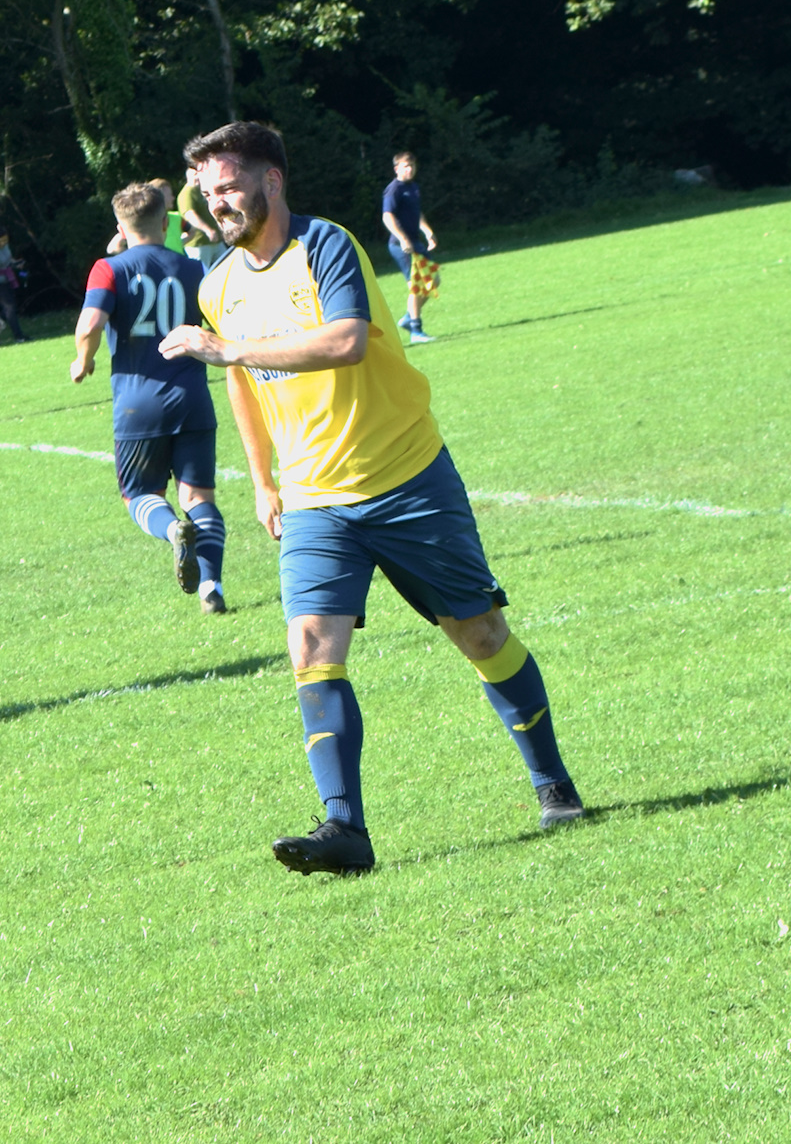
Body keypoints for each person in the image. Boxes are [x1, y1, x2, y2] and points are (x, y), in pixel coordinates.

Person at [160, 121, 584, 877]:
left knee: (480, 634)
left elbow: (345, 340)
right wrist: (262, 482)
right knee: (310, 650)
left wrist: (228, 348)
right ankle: (345, 832)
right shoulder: (217, 283)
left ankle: (553, 782)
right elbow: (242, 388)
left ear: (271, 182)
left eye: (230, 184)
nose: (219, 201)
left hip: (407, 477)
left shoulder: (325, 246)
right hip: (317, 500)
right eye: (209, 190)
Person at [70, 179, 228, 613]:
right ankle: (211, 587)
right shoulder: (195, 268)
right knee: (200, 499)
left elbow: (89, 325)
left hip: (138, 406)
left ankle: (172, 530)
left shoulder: (110, 268)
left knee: (139, 495)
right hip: (194, 399)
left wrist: (82, 361)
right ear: (165, 221)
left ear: (121, 228)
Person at [381, 152, 439, 344]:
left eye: (412, 166)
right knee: (416, 287)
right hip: (401, 246)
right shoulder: (394, 190)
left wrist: (428, 231)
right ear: (397, 168)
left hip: (415, 242)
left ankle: (408, 317)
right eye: (406, 166)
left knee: (434, 280)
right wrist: (402, 238)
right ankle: (416, 331)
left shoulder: (413, 187)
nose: (410, 169)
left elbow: (416, 212)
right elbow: (387, 217)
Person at [178, 166, 228, 268]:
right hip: (198, 244)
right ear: (188, 176)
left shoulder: (203, 190)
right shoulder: (186, 194)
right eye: (194, 174)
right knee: (201, 274)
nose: (197, 177)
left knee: (226, 267)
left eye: (199, 174)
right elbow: (190, 215)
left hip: (215, 241)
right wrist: (208, 230)